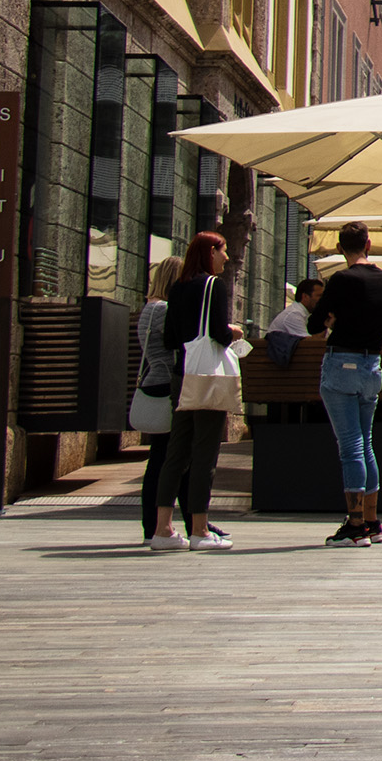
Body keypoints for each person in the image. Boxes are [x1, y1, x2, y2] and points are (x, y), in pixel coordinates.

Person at [311, 219, 382, 548]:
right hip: (372, 365)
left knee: (351, 449)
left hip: (341, 364)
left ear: (339, 248)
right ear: (369, 244)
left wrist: (332, 319)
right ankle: (373, 521)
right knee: (366, 443)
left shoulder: (341, 279)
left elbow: (313, 323)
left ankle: (356, 523)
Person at [160, 231, 239, 551]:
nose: (226, 257)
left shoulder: (177, 287)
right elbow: (219, 334)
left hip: (183, 377)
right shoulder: (213, 286)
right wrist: (233, 331)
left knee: (175, 454)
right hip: (208, 378)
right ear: (210, 252)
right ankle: (200, 530)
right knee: (205, 453)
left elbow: (168, 338)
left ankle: (162, 529)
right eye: (222, 251)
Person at [136, 257, 185, 550]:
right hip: (165, 384)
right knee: (165, 458)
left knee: (159, 457)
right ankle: (156, 525)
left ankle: (152, 524)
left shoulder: (149, 309)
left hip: (154, 380)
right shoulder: (163, 310)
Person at [261, 277, 322, 368]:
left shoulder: (301, 313)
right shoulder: (294, 314)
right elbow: (311, 344)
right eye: (319, 296)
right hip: (282, 370)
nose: (322, 300)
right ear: (305, 296)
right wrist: (326, 322)